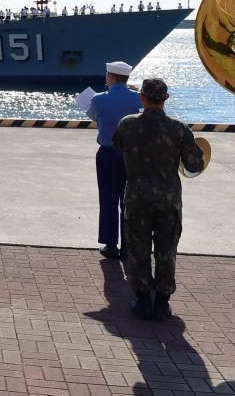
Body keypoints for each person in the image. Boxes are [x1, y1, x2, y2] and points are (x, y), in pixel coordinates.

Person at [113, 78, 203, 320]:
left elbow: (118, 146)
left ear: (141, 97)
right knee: (166, 250)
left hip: (137, 198)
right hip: (168, 199)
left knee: (138, 249)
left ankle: (143, 301)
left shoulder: (127, 125)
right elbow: (195, 164)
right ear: (166, 99)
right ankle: (162, 303)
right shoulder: (179, 128)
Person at [86, 61, 141, 260]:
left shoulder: (98, 99)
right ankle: (128, 245)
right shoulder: (138, 98)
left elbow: (94, 116)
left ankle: (110, 244)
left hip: (108, 153)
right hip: (132, 156)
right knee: (129, 201)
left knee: (108, 199)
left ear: (110, 76)